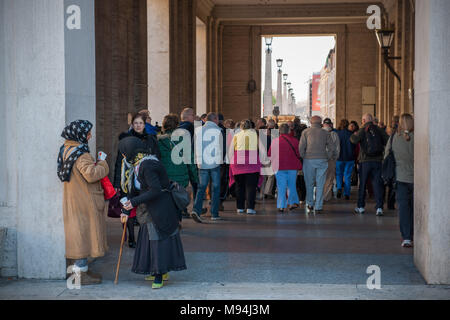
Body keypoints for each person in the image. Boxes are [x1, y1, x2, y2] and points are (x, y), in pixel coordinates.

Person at [119, 137, 186, 289]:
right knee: (150, 239)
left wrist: (133, 203)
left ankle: (159, 275)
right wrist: (126, 208)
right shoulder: (139, 164)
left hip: (159, 208)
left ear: (130, 152)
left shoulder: (147, 165)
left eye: (124, 153)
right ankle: (159, 271)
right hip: (150, 208)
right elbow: (135, 190)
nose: (123, 156)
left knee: (157, 240)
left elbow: (155, 189)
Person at [58, 120, 109, 285]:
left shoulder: (66, 149)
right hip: (84, 201)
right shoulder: (81, 154)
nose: (90, 136)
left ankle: (80, 272)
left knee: (78, 235)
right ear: (79, 135)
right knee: (83, 237)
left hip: (74, 199)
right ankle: (81, 276)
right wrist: (102, 162)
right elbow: (91, 174)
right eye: (87, 133)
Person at [114, 113, 161, 248]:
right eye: (136, 123)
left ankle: (145, 236)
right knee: (129, 207)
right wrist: (117, 183)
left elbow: (157, 158)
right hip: (128, 179)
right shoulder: (126, 140)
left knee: (146, 207)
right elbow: (119, 162)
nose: (138, 125)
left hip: (145, 178)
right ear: (132, 125)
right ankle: (131, 238)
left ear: (144, 124)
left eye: (140, 123)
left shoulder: (151, 139)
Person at [385, 114, 414, 248]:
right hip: (417, 179)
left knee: (403, 209)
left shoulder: (393, 138)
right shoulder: (418, 137)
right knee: (416, 208)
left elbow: (386, 156)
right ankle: (416, 233)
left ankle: (406, 237)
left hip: (400, 177)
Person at [350, 113, 389, 216]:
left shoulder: (362, 130)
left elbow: (353, 140)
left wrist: (355, 133)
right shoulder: (379, 130)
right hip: (377, 160)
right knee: (377, 184)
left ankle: (361, 206)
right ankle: (379, 207)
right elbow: (387, 140)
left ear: (363, 120)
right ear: (372, 120)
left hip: (365, 161)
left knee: (362, 184)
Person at [191, 112, 223, 223]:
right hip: (214, 163)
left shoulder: (198, 130)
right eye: (218, 119)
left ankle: (196, 210)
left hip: (202, 163)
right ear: (214, 119)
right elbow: (221, 147)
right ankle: (214, 213)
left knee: (201, 187)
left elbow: (193, 146)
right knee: (215, 188)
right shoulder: (219, 131)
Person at [299, 116, 334, 213]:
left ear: (311, 122)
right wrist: (327, 156)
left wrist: (304, 156)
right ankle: (319, 206)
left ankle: (310, 203)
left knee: (309, 183)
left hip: (308, 160)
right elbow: (331, 147)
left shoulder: (305, 132)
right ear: (321, 123)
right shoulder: (325, 133)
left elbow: (301, 147)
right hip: (322, 159)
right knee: (320, 183)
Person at [229, 119, 262, 215]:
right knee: (251, 186)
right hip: (252, 163)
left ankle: (240, 207)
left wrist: (231, 162)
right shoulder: (255, 135)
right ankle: (250, 208)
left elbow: (231, 152)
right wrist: (263, 160)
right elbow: (262, 150)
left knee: (239, 186)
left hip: (237, 163)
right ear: (251, 127)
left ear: (241, 127)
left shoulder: (236, 136)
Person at [268, 123, 302, 213]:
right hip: (292, 167)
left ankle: (281, 206)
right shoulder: (295, 141)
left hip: (279, 167)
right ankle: (291, 203)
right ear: (288, 131)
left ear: (279, 131)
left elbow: (270, 154)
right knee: (291, 185)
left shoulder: (275, 141)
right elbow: (299, 154)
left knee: (281, 186)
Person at [336, 119, 356, 200]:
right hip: (350, 158)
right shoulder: (351, 134)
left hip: (339, 158)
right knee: (347, 175)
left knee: (338, 174)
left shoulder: (337, 134)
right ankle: (347, 193)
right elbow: (355, 146)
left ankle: (339, 188)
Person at [322, 118, 340, 202]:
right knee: (329, 179)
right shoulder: (334, 134)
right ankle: (326, 197)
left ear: (323, 124)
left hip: (320, 159)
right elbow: (337, 148)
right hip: (331, 159)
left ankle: (319, 196)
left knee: (320, 178)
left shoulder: (319, 133)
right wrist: (335, 158)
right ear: (330, 125)